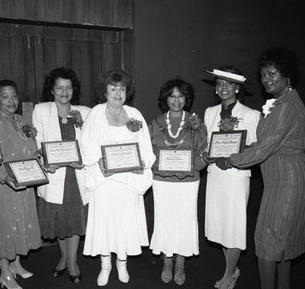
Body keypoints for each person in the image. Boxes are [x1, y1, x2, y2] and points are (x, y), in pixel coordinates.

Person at [223, 47, 305, 289]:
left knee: (268, 238)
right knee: (279, 240)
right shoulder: (279, 102)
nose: (266, 79)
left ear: (287, 76)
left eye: (272, 73)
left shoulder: (286, 106)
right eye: (263, 74)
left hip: (289, 178)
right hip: (282, 175)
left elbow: (266, 147)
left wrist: (232, 159)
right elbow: (264, 142)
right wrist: (239, 148)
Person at [80, 70, 155, 287]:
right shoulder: (95, 113)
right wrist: (99, 162)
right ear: (105, 91)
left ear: (127, 92)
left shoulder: (135, 114)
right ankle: (106, 265)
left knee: (124, 222)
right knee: (105, 222)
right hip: (104, 180)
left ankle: (122, 263)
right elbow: (86, 143)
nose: (117, 93)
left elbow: (145, 145)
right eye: (113, 89)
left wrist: (142, 163)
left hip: (128, 181)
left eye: (121, 89)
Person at [201, 66, 260, 289]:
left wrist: (234, 158)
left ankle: (228, 274)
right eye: (219, 84)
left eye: (228, 84)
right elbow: (207, 144)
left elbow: (254, 148)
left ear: (237, 88)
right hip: (215, 176)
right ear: (215, 89)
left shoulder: (251, 115)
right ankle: (232, 268)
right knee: (221, 226)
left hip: (236, 177)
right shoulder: (209, 112)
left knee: (234, 226)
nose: (223, 88)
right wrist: (205, 154)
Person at [32, 67, 91, 284]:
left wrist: (82, 160)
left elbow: (90, 143)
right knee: (58, 220)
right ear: (52, 90)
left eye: (68, 87)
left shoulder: (85, 112)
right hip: (55, 175)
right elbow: (37, 142)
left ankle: (72, 260)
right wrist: (45, 160)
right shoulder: (41, 110)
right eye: (60, 87)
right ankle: (64, 256)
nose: (64, 92)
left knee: (75, 219)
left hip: (76, 175)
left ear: (74, 90)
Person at [0, 80, 42, 289]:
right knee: (3, 227)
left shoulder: (23, 120)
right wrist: (4, 177)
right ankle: (4, 272)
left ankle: (16, 264)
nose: (11, 101)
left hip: (23, 184)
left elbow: (33, 149)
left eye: (14, 96)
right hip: (2, 187)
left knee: (19, 224)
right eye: (5, 97)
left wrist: (41, 158)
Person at [148, 78, 207, 286]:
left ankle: (180, 262)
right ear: (166, 99)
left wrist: (195, 166)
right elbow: (149, 154)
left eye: (180, 96)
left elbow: (203, 154)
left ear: (186, 99)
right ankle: (167, 260)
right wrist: (157, 167)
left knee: (185, 219)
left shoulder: (196, 122)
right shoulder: (155, 123)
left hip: (188, 182)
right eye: (172, 96)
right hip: (162, 182)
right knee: (165, 219)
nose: (176, 100)